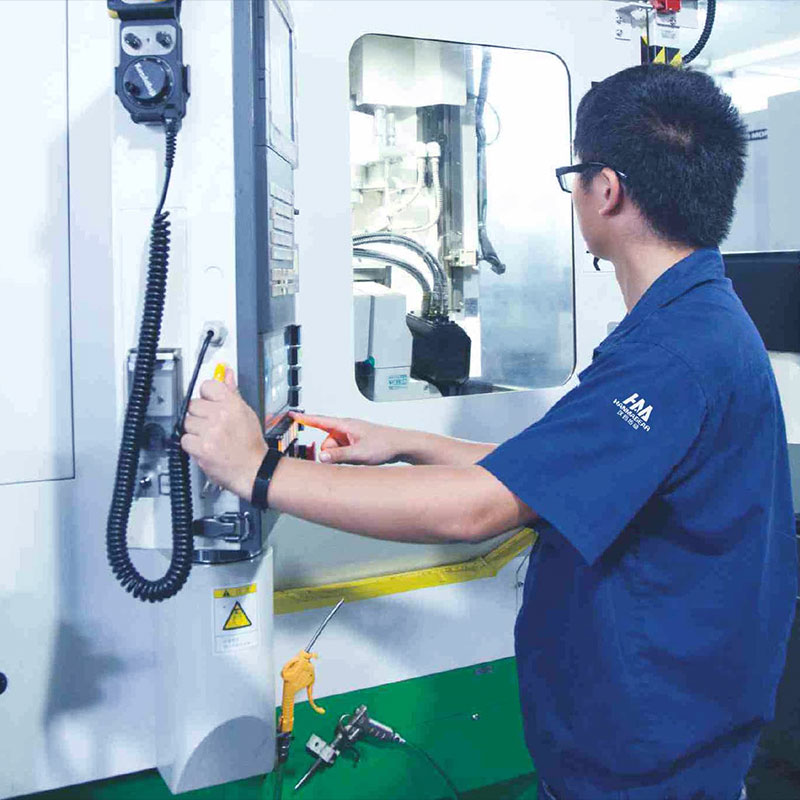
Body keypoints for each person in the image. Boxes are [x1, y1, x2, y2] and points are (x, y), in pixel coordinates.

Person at [181, 64, 797, 799]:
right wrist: (402, 442)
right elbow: (559, 471)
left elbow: (480, 509)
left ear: (605, 189)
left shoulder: (672, 356)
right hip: (657, 745)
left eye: (574, 176)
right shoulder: (696, 322)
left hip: (651, 768)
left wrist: (257, 471)